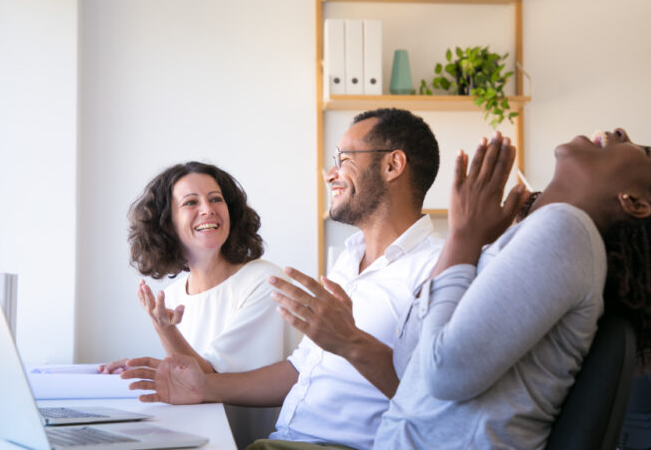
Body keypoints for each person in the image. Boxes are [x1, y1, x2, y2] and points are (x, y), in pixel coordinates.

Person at [371, 128, 651, 449]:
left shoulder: (567, 229)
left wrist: (463, 237)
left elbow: (443, 373)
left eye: (645, 152)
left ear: (634, 202)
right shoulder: (538, 237)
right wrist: (471, 241)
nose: (620, 132)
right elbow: (409, 363)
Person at [121, 108, 446, 450]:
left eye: (345, 160)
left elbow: (436, 399)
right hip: (279, 442)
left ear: (392, 166)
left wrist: (351, 341)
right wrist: (202, 388)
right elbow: (297, 370)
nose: (330, 175)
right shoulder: (347, 262)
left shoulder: (436, 269)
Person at [97, 161, 300, 376]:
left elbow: (212, 383)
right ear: (167, 224)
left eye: (215, 199)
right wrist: (146, 367)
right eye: (190, 202)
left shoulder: (266, 282)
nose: (208, 209)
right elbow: (190, 377)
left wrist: (165, 330)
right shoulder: (173, 296)